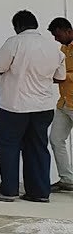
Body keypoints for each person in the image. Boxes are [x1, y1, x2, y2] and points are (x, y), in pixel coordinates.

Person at [0, 10, 66, 203]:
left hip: (15, 107)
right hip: (43, 107)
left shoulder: (15, 42)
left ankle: (8, 191)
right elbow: (59, 77)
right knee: (37, 147)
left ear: (17, 26)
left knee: (9, 147)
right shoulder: (54, 48)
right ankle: (39, 193)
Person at [50, 17, 73, 193]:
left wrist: (64, 76)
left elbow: (64, 74)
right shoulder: (63, 49)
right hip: (64, 103)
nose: (56, 39)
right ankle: (67, 179)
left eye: (57, 35)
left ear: (67, 31)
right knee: (56, 139)